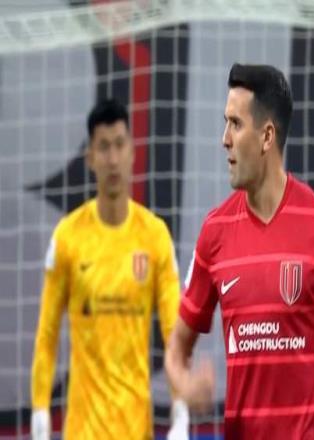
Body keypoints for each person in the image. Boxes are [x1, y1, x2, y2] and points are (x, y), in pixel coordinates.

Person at [165, 64, 314, 439]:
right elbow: (176, 347)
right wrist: (183, 385)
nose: (224, 140)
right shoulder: (214, 232)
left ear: (267, 136)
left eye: (236, 124)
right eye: (225, 123)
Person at [31, 99, 189, 440]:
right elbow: (47, 333)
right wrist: (40, 410)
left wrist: (180, 409)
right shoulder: (68, 237)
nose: (113, 158)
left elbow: (174, 333)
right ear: (90, 158)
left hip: (136, 429)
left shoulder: (154, 236)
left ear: (132, 151)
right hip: (82, 431)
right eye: (103, 147)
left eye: (119, 144)